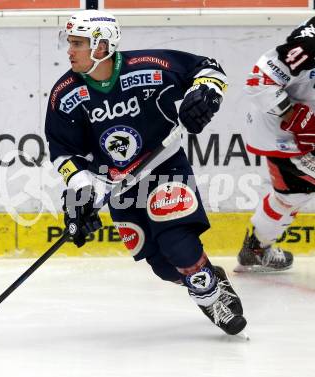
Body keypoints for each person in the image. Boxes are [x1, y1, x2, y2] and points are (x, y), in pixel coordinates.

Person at [45, 9, 247, 335]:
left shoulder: (151, 66)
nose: (70, 50)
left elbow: (208, 68)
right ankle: (207, 275)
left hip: (164, 165)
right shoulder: (66, 94)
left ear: (101, 47)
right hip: (120, 186)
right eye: (70, 42)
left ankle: (208, 294)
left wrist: (205, 94)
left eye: (78, 43)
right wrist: (81, 189)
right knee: (163, 266)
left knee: (176, 240)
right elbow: (63, 152)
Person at [235, 17, 315, 273]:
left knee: (292, 195)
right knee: (292, 195)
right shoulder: (308, 46)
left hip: (304, 127)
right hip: (283, 134)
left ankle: (256, 249)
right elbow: (259, 81)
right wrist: (293, 116)